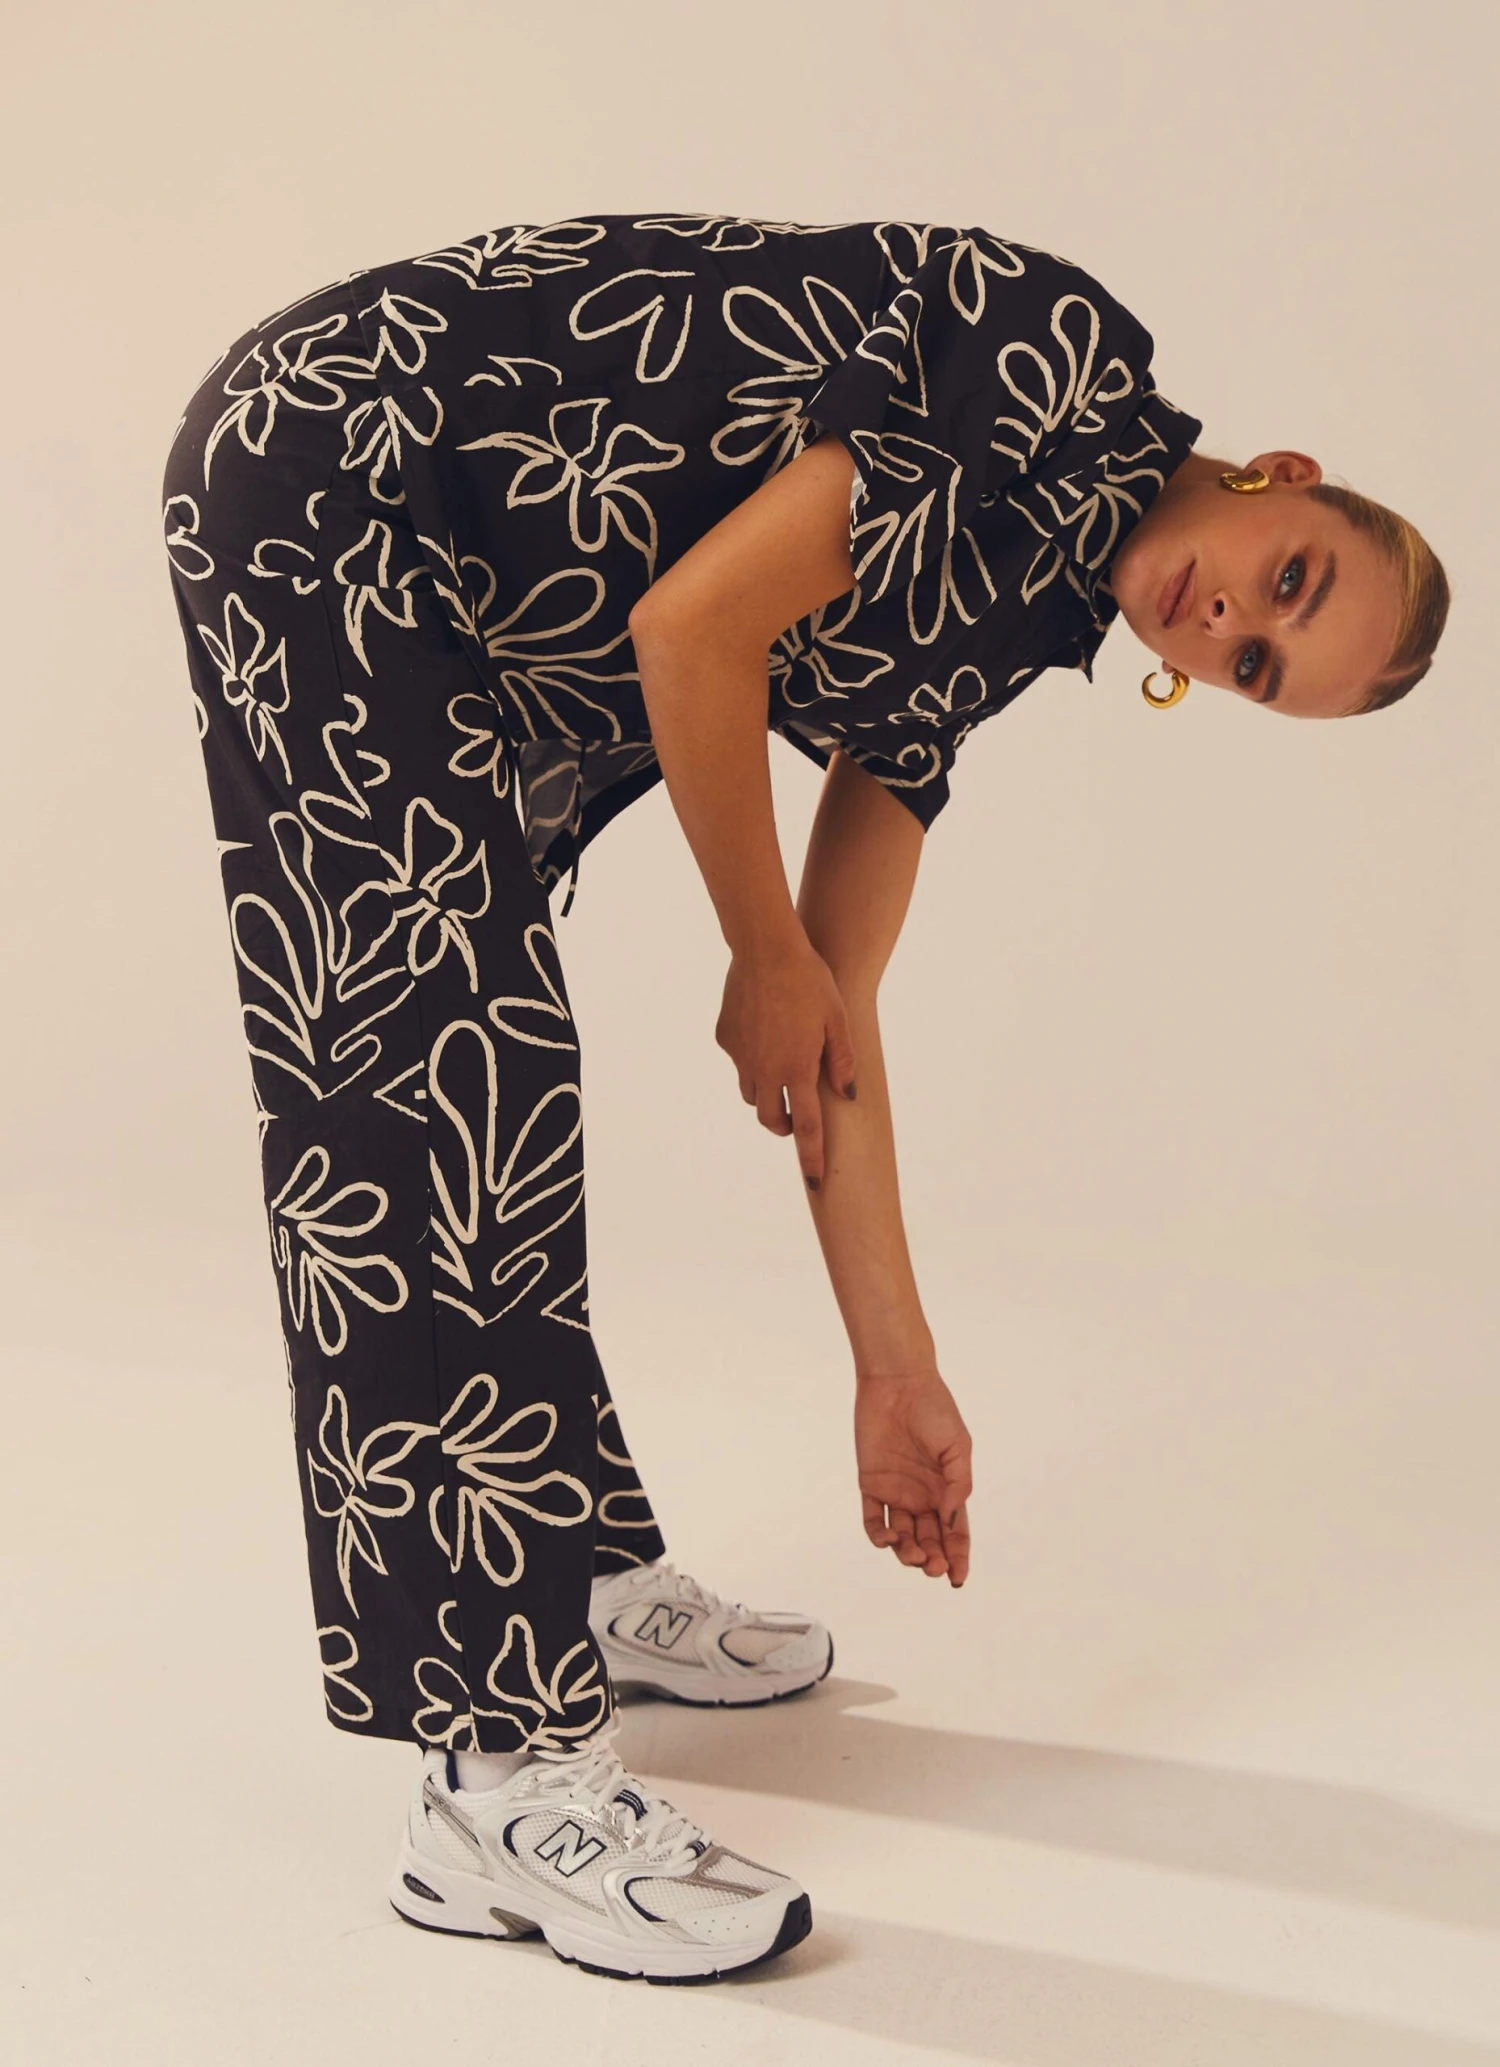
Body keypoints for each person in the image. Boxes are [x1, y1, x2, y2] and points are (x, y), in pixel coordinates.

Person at [161, 212, 1449, 1984]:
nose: (1232, 623)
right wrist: (756, 940)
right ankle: (494, 1780)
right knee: (434, 1078)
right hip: (342, 473)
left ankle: (568, 1575)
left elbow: (834, 1019)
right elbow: (693, 627)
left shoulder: (1008, 619)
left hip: (461, 567)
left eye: (1258, 668)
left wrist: (894, 1369)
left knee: (485, 1060)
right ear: (1280, 478)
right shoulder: (1059, 370)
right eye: (1285, 581)